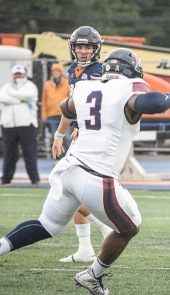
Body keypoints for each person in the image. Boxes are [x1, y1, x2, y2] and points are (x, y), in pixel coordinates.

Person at [0, 48, 170, 295]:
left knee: (47, 225)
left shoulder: (88, 87)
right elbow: (149, 103)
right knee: (130, 227)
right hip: (97, 177)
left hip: (69, 169)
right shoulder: (129, 87)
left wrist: (80, 123)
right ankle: (92, 275)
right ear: (131, 71)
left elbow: (65, 107)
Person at [53, 26, 113, 263]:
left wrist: (82, 125)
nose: (84, 51)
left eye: (88, 47)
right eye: (80, 46)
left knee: (68, 186)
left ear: (96, 49)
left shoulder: (102, 71)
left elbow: (106, 106)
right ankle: (86, 248)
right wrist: (62, 134)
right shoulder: (73, 71)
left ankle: (107, 228)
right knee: (72, 189)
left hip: (96, 138)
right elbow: (72, 106)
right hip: (82, 134)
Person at [0, 64, 40, 187]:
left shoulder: (30, 86)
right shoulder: (6, 87)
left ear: (25, 74)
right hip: (8, 124)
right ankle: (5, 180)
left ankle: (35, 180)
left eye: (20, 73)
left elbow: (30, 96)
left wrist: (12, 95)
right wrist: (19, 100)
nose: (18, 76)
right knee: (9, 154)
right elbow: (1, 97)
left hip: (27, 124)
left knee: (30, 154)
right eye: (16, 73)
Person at [41, 63, 71, 161]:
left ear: (61, 72)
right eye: (54, 71)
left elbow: (71, 99)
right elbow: (44, 101)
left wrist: (71, 113)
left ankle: (70, 157)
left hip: (65, 115)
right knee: (57, 139)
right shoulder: (47, 85)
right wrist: (44, 116)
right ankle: (59, 159)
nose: (56, 73)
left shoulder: (67, 83)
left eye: (58, 71)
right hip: (52, 116)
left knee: (67, 138)